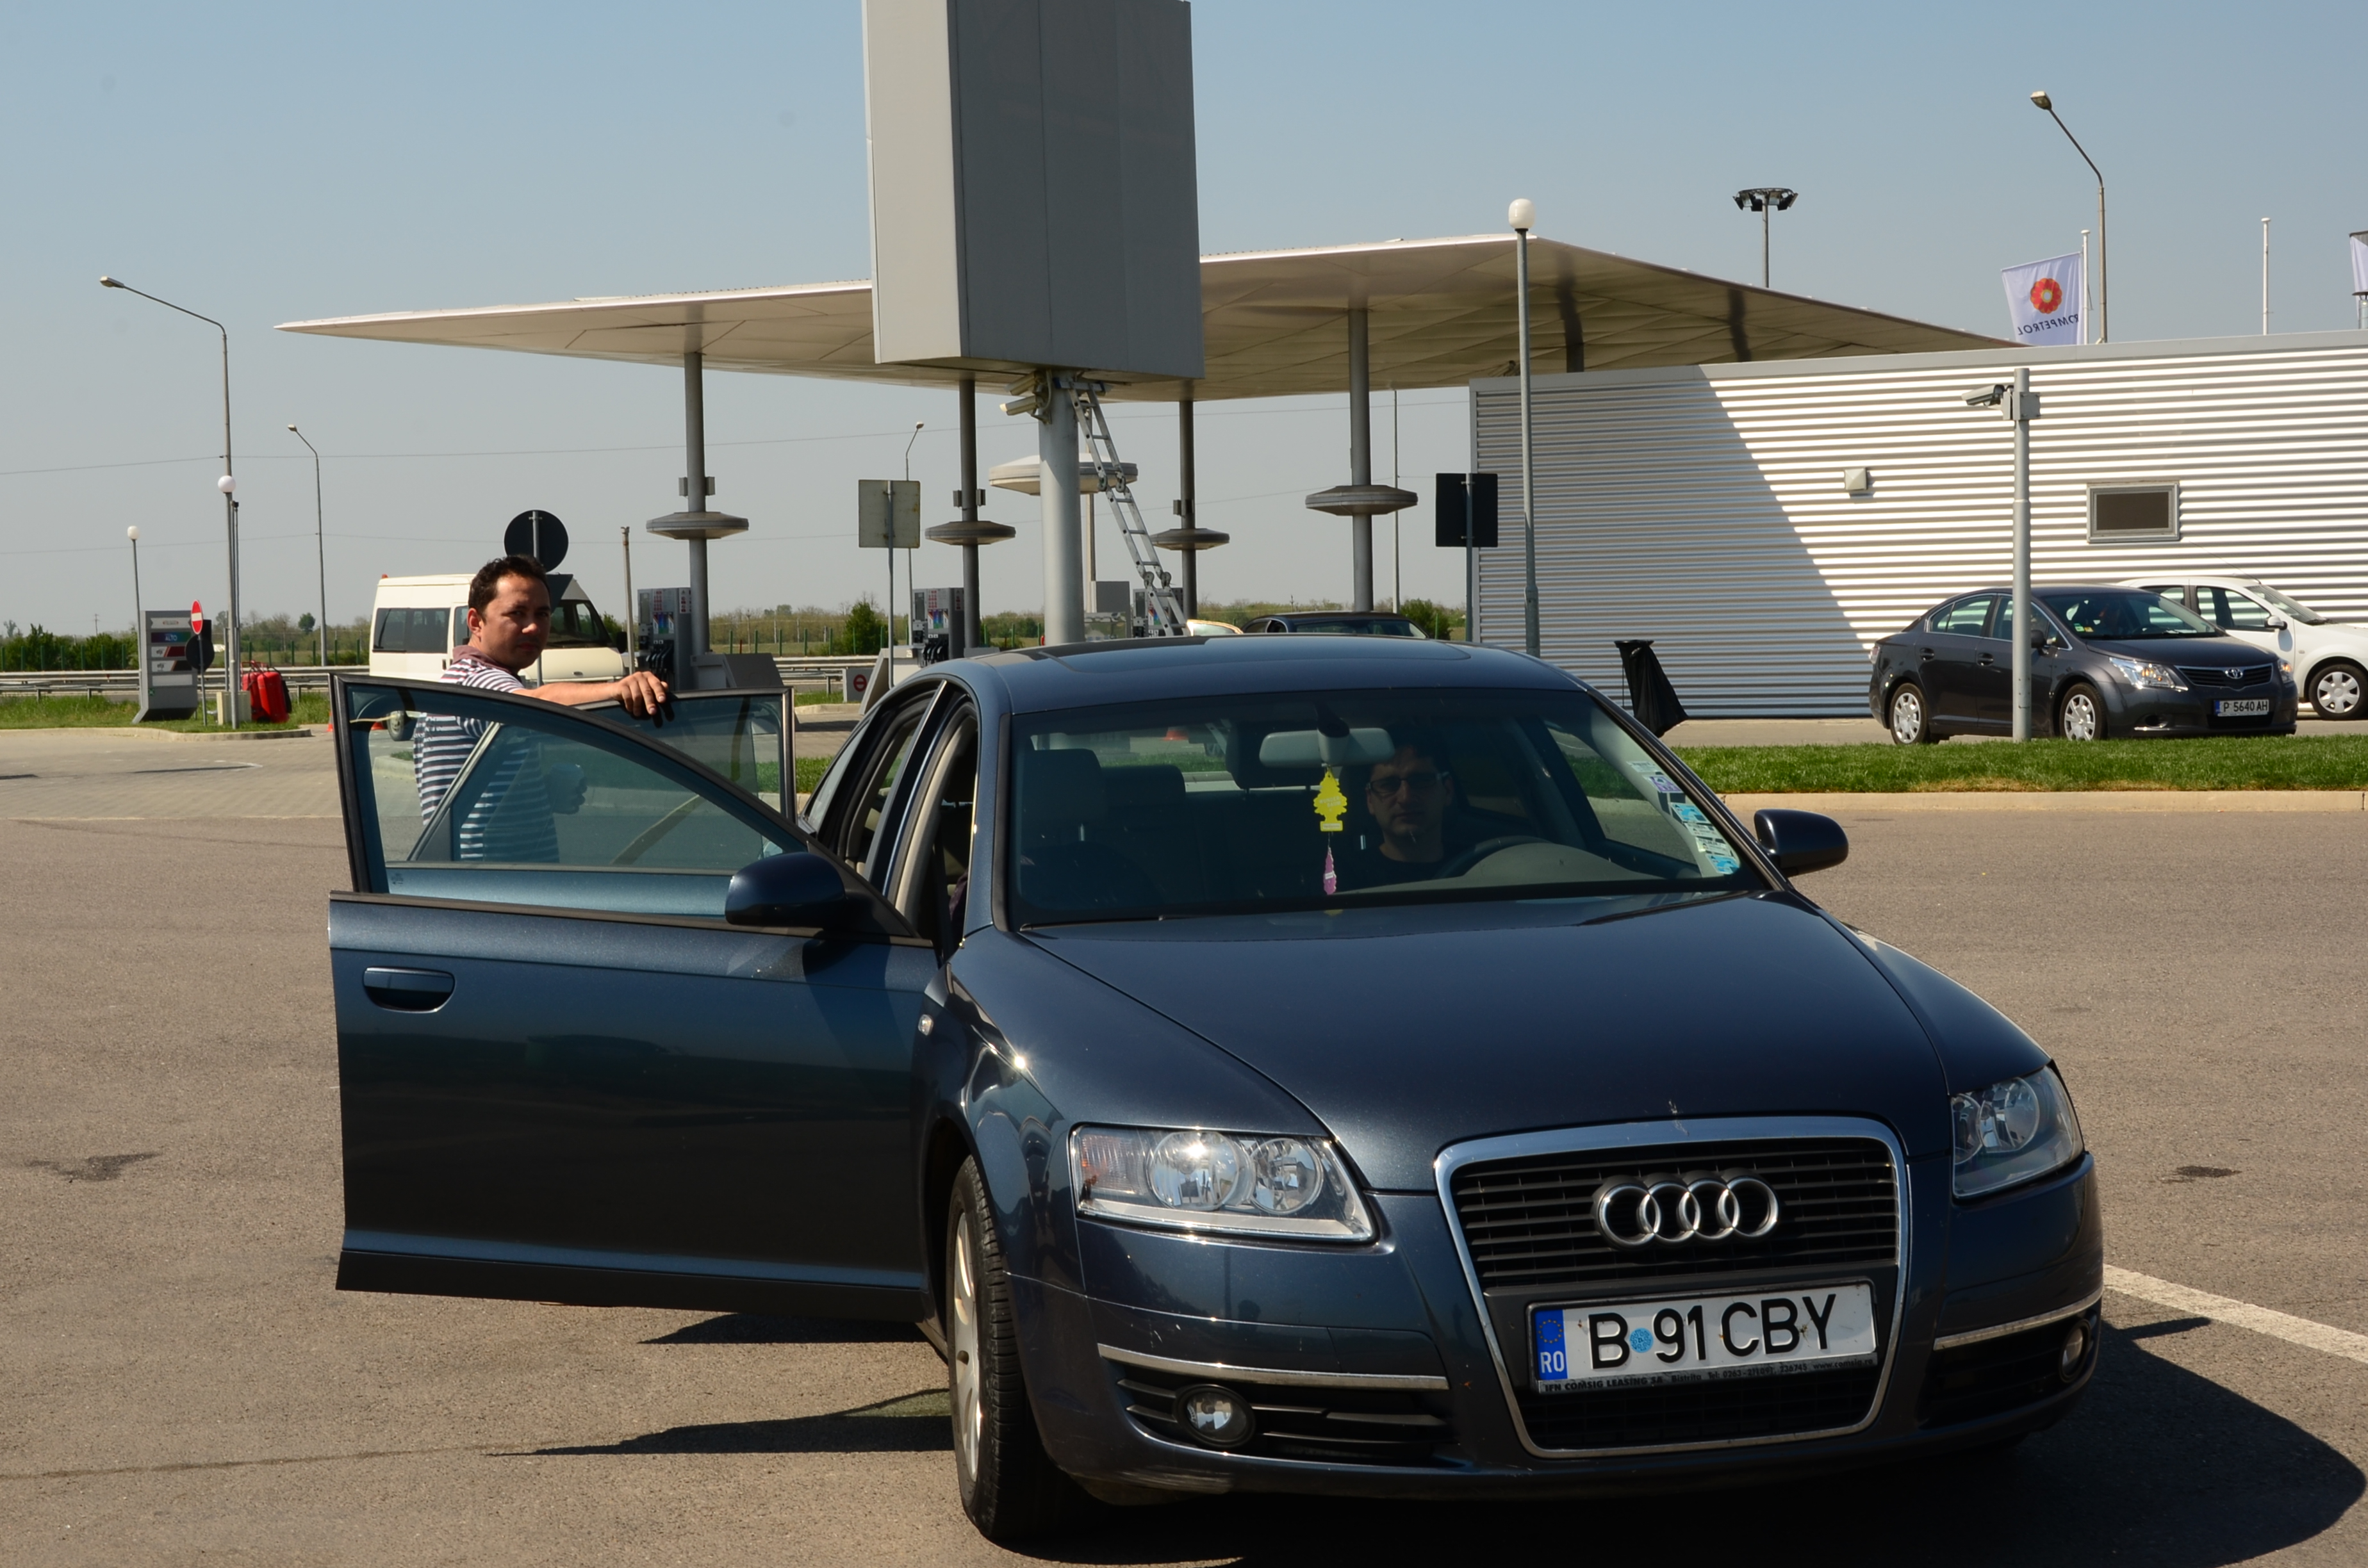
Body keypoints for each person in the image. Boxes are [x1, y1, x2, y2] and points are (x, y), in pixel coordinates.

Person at [412, 555, 672, 858]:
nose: (533, 627)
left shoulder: (460, 681)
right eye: (517, 613)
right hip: (491, 880)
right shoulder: (475, 682)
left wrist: (543, 793)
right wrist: (617, 690)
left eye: (543, 614)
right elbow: (530, 705)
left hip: (484, 877)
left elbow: (478, 794)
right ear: (476, 622)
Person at [1333, 737, 1459, 888]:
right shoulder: (1337, 879)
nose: (1405, 798)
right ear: (1370, 800)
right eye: (1388, 785)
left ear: (1448, 790)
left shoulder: (1477, 866)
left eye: (1421, 781)